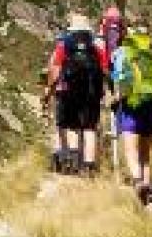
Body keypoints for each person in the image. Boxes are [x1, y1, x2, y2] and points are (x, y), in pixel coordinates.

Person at [42, 14, 109, 175]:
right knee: (89, 128)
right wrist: (104, 91)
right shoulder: (96, 47)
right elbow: (105, 70)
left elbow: (56, 70)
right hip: (91, 93)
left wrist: (49, 90)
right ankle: (89, 166)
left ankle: (72, 161)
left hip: (69, 92)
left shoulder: (64, 45)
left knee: (71, 126)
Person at [112, 21, 152, 203]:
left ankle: (137, 182)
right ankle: (146, 184)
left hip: (131, 104)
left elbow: (118, 79)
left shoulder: (122, 52)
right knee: (145, 153)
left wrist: (115, 99)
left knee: (130, 149)